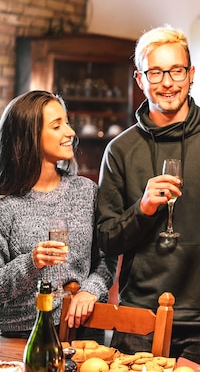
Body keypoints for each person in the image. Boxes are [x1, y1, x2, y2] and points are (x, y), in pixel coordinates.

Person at [96, 25, 200, 363]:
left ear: (191, 74)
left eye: (176, 70)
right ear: (140, 79)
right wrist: (143, 209)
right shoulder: (120, 150)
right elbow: (107, 239)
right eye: (155, 72)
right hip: (139, 319)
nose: (167, 82)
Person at [0, 90, 116, 339]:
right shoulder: (5, 204)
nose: (70, 132)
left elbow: (107, 259)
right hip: (22, 337)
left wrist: (91, 290)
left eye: (67, 121)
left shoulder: (87, 192)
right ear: (28, 136)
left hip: (83, 331)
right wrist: (31, 262)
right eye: (57, 125)